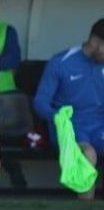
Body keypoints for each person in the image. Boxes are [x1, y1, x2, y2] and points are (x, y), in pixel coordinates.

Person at [33, 18, 104, 198]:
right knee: (88, 154)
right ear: (95, 42)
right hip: (69, 128)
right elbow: (40, 102)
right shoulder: (62, 62)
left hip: (98, 127)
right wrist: (59, 118)